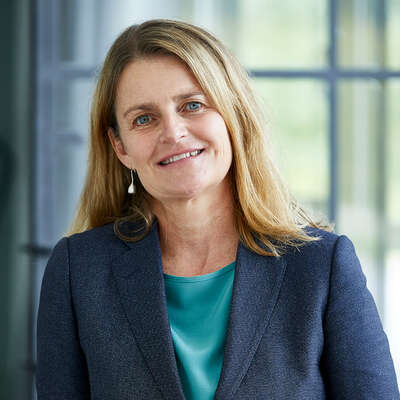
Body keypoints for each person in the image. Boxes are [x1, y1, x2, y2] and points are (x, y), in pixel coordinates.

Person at [36, 19, 399, 400]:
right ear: (120, 146)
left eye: (192, 105)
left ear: (233, 115)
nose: (173, 132)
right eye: (144, 118)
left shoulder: (321, 266)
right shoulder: (79, 271)